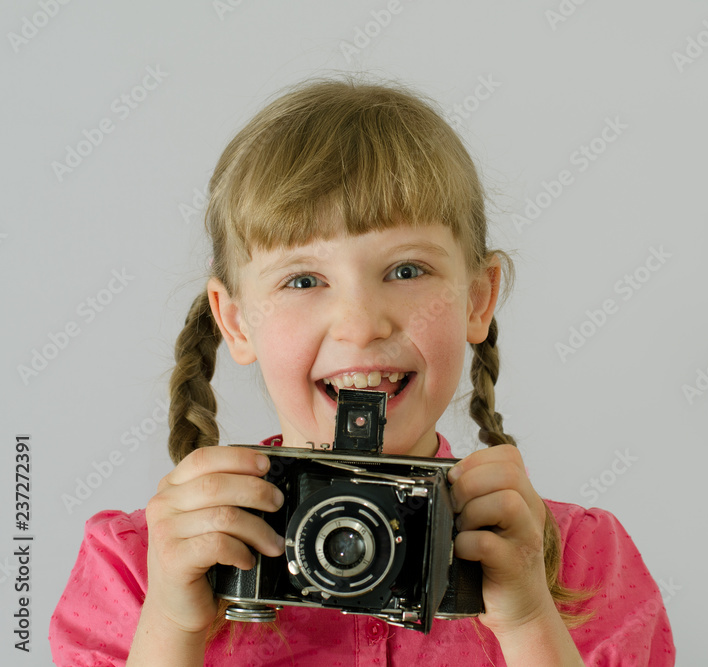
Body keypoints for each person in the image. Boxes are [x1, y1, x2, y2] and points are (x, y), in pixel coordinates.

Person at [49, 77, 675, 666]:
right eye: (302, 279)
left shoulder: (580, 562)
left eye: (406, 271)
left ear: (478, 299)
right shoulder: (136, 567)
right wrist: (172, 627)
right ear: (236, 322)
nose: (361, 323)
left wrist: (530, 620)